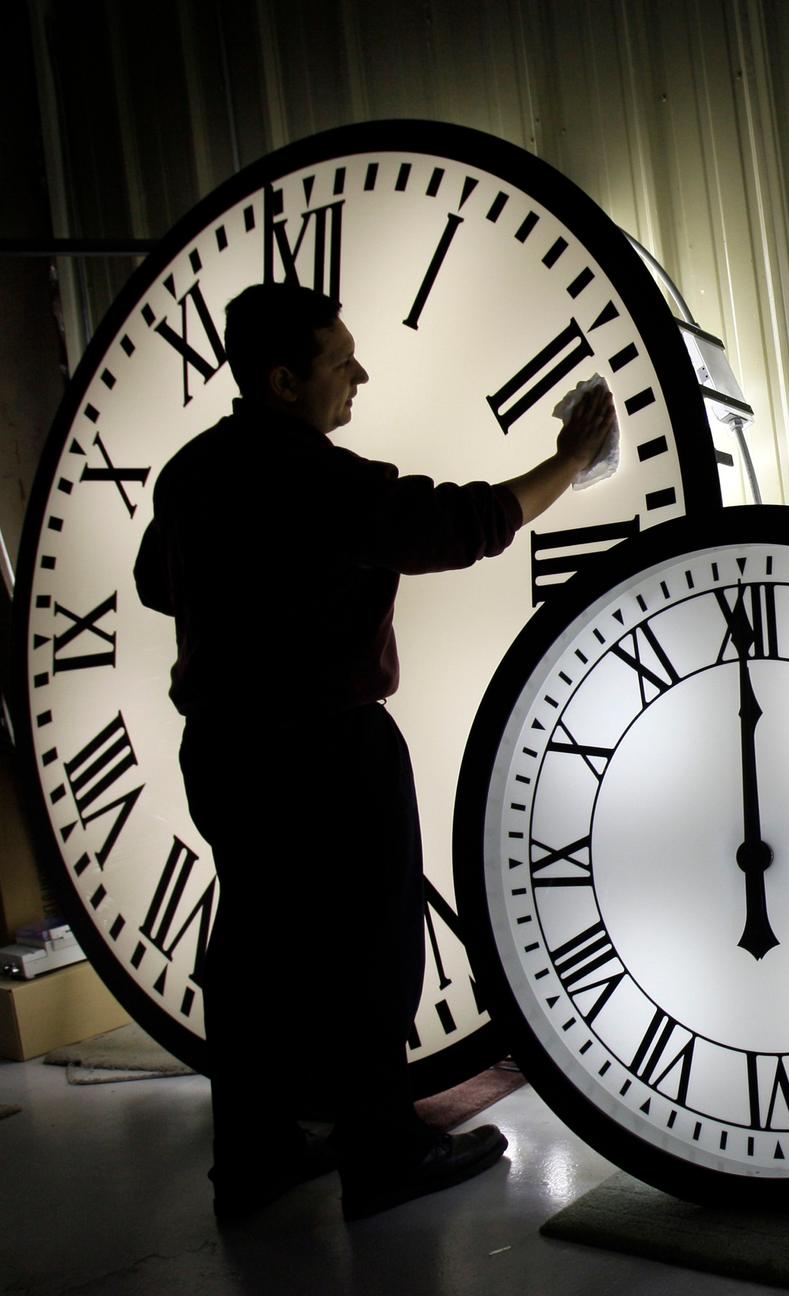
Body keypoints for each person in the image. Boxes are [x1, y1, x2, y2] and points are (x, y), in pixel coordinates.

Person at [133, 281, 614, 1222]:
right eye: (338, 359)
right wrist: (572, 459)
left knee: (255, 949)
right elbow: (463, 525)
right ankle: (383, 1153)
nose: (360, 373)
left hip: (225, 749)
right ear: (282, 381)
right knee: (369, 949)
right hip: (330, 748)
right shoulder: (317, 481)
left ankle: (256, 1153)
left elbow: (160, 582)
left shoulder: (192, 475)